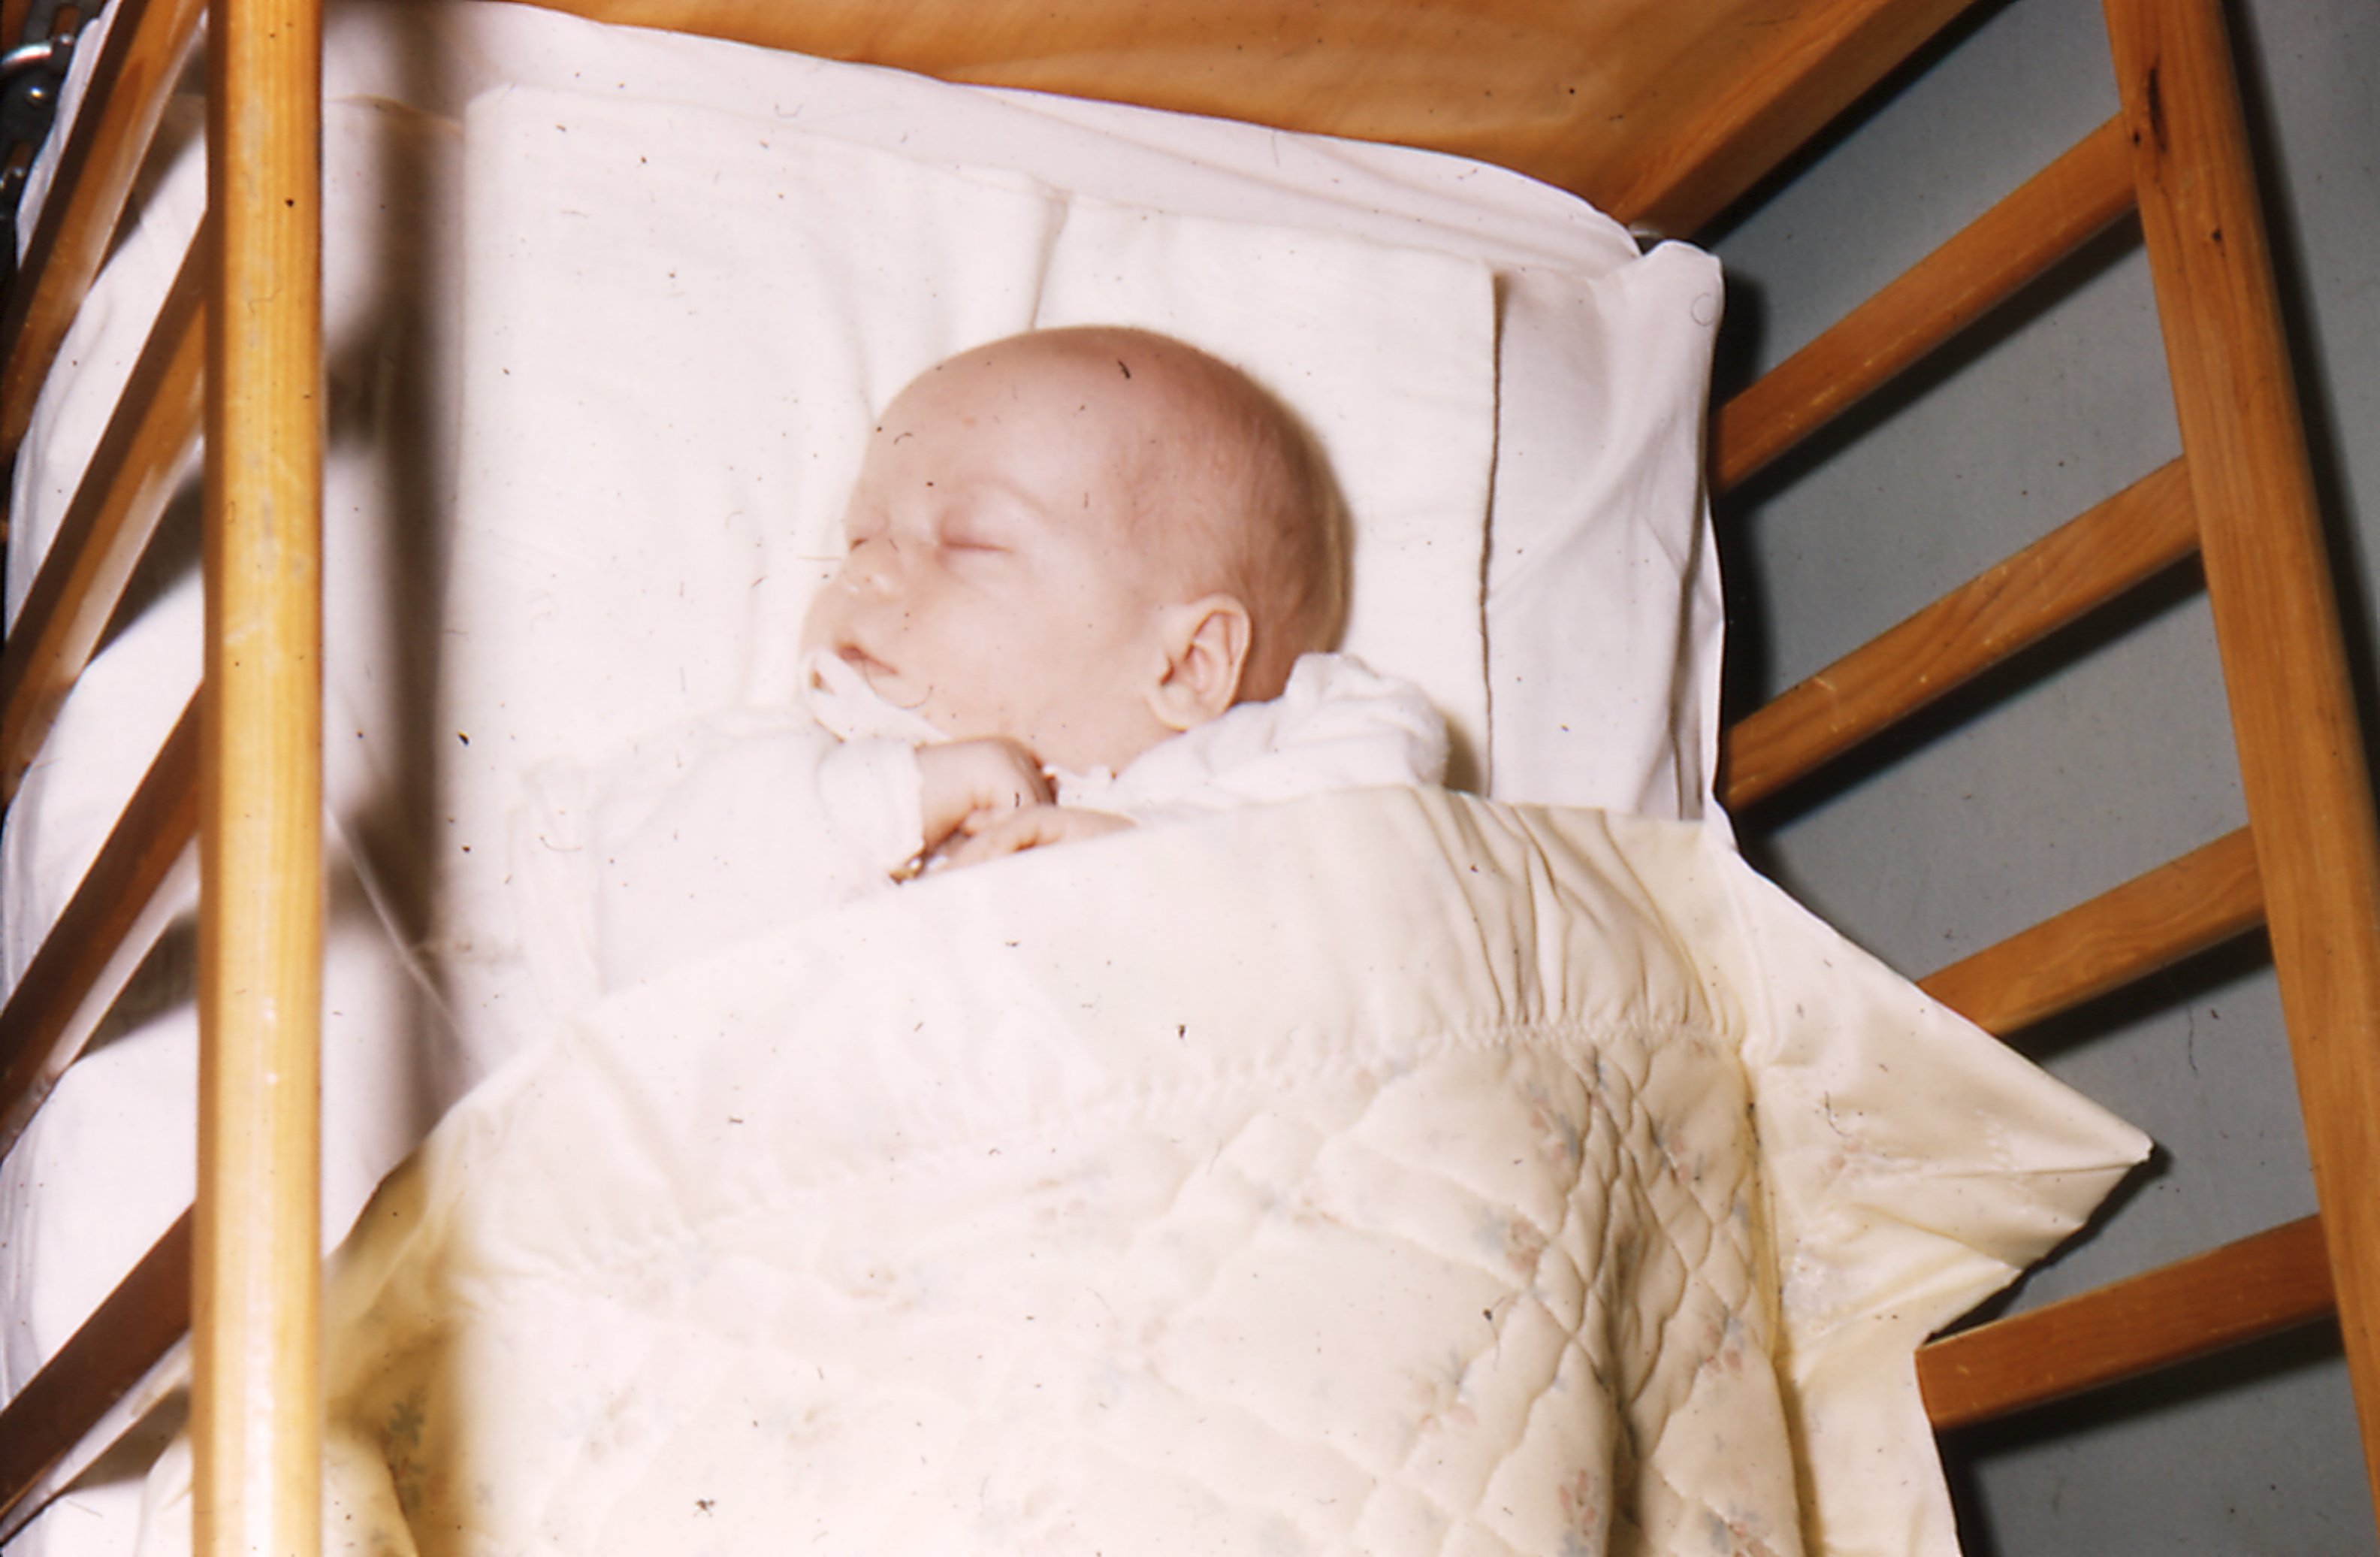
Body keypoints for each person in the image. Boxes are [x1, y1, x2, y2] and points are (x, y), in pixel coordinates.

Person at [524, 325, 1445, 990]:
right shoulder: (790, 769)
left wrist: (1147, 858)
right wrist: (890, 797)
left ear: (1189, 663)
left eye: (968, 544)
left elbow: (1380, 862)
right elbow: (648, 952)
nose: (869, 572)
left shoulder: (1283, 758)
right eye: (861, 540)